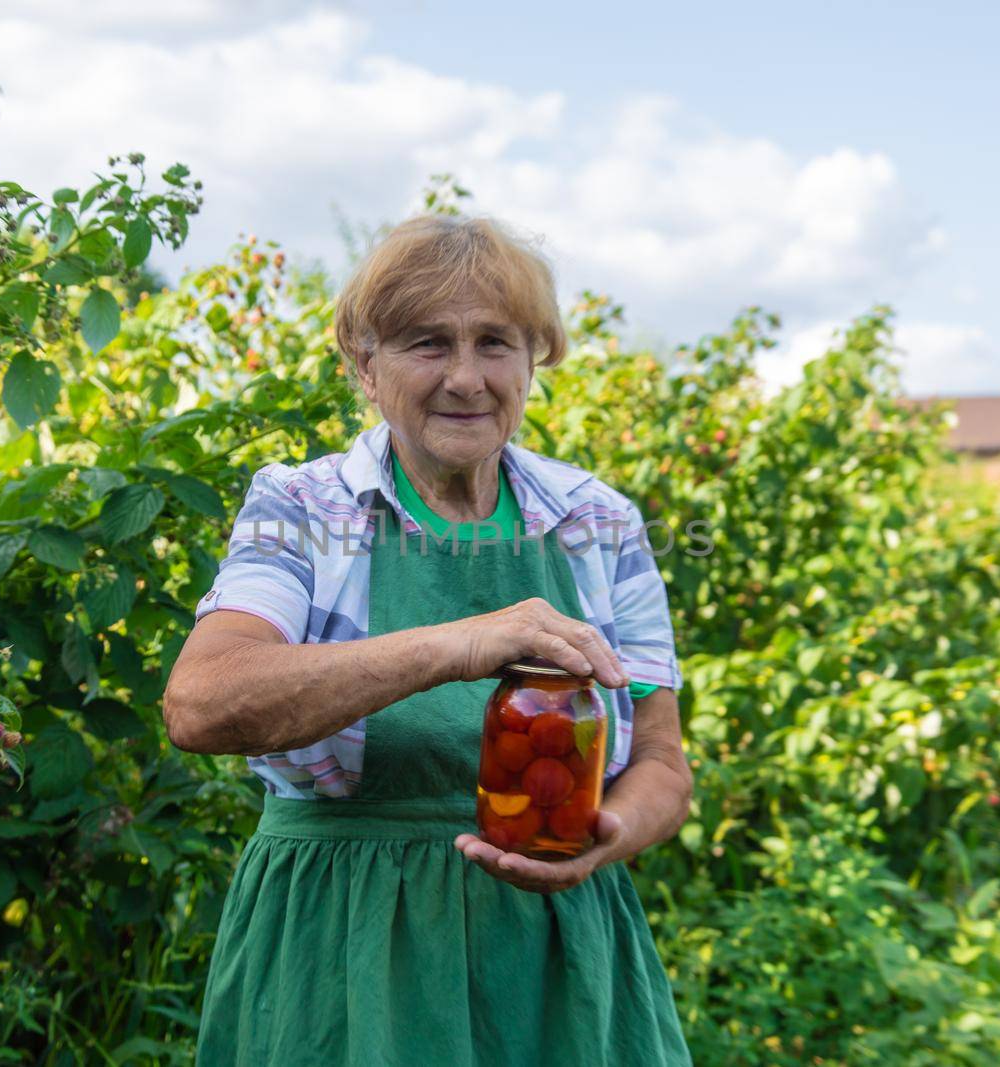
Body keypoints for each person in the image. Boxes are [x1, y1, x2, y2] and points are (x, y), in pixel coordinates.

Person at [163, 214, 693, 1066]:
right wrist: (462, 641)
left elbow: (663, 764)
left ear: (533, 361)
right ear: (365, 367)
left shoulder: (599, 521)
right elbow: (202, 703)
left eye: (495, 343)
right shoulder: (303, 508)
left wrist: (610, 833)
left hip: (555, 954)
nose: (465, 377)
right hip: (346, 943)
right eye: (425, 343)